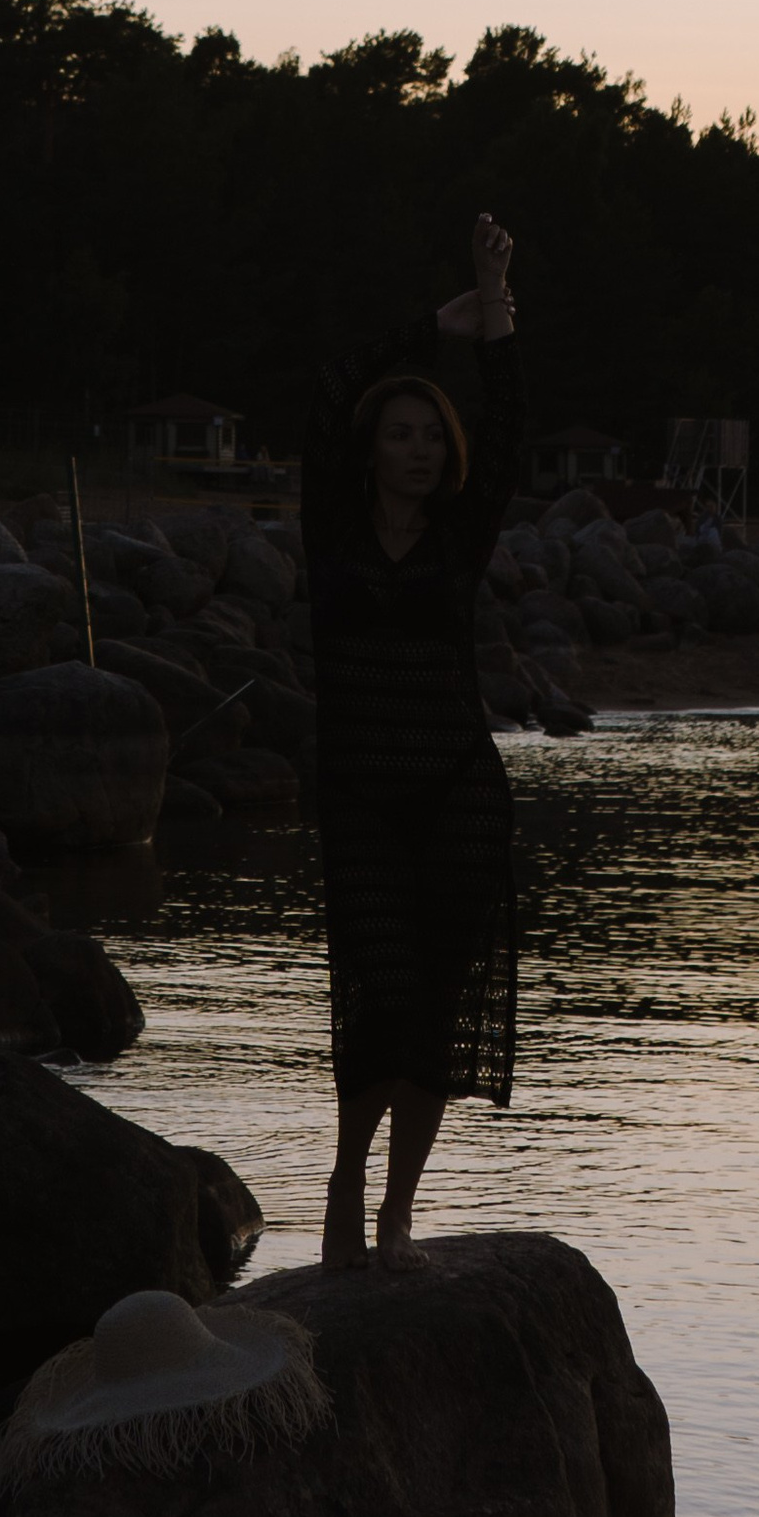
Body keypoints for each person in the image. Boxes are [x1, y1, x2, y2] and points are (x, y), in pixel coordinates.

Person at [302, 209, 525, 1272]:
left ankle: (396, 1215)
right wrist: (435, 327)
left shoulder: (460, 536)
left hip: (456, 794)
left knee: (436, 1012)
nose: (419, 449)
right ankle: (345, 1182)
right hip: (360, 796)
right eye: (400, 433)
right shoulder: (332, 528)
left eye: (432, 436)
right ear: (372, 446)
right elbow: (323, 390)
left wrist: (499, 320)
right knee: (377, 999)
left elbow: (513, 428)